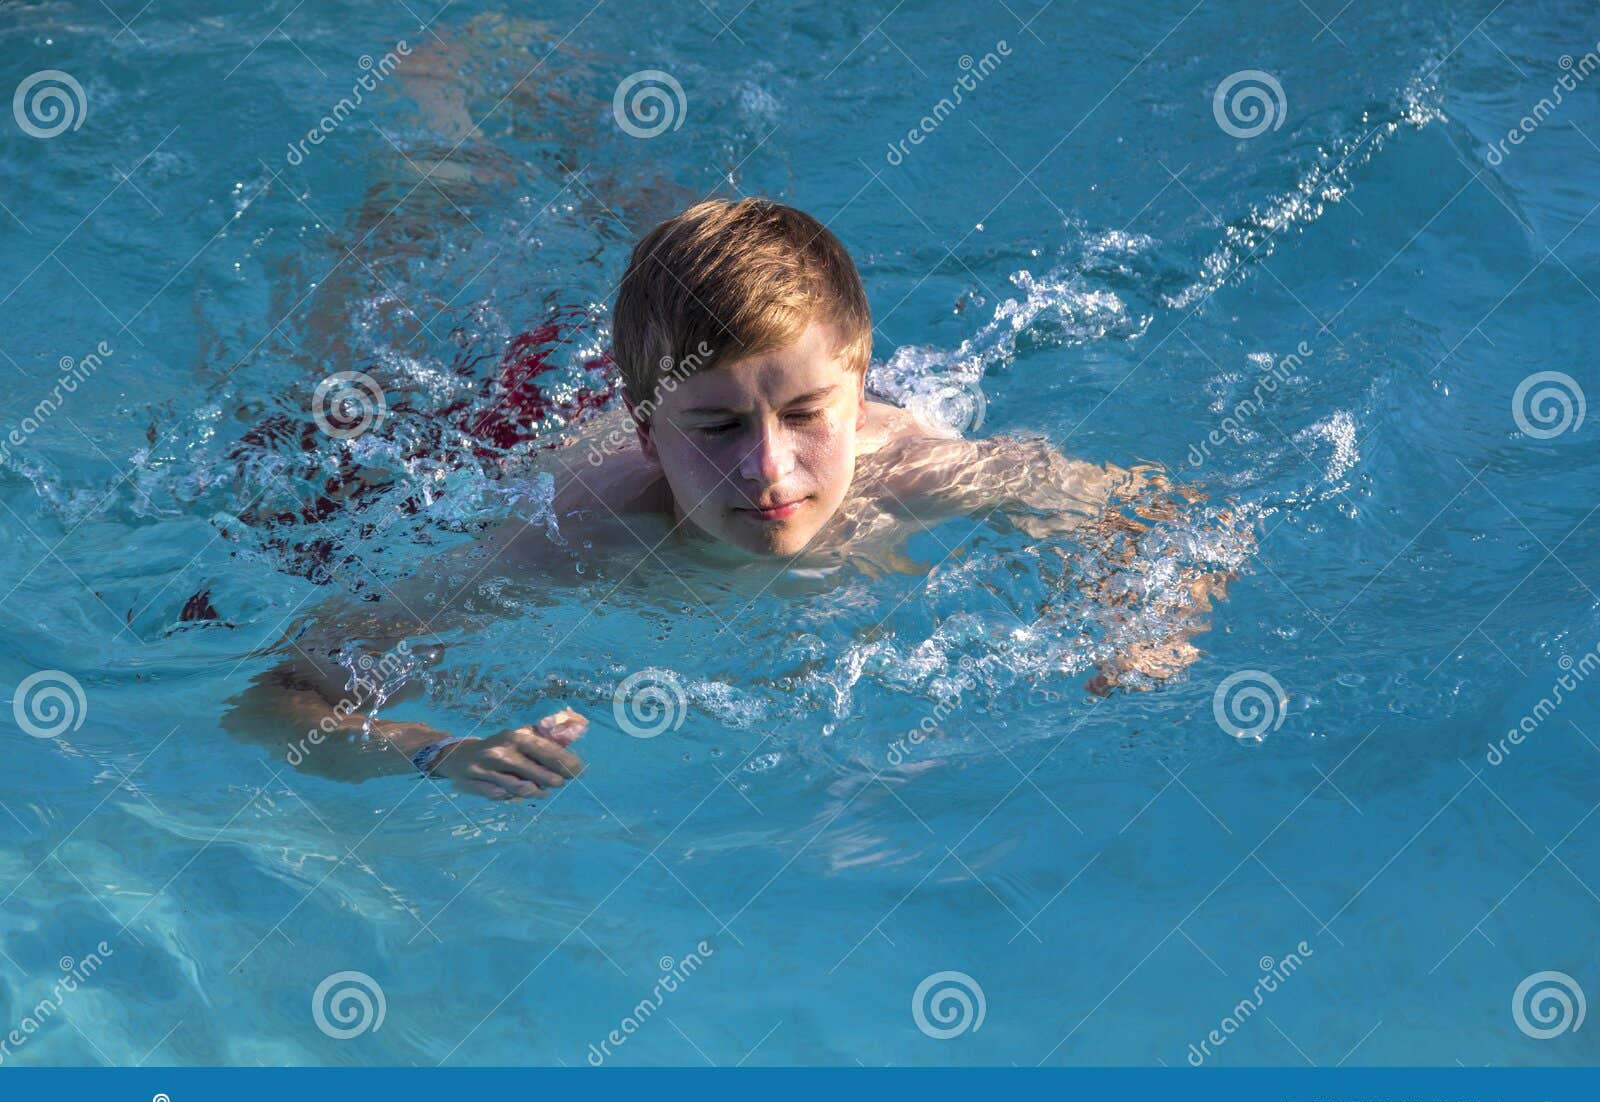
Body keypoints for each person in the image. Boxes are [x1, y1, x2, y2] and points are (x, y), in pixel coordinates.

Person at [224, 194, 1234, 802]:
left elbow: (1170, 515)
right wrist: (436, 752)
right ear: (644, 429)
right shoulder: (573, 534)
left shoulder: (920, 468)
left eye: (805, 413)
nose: (768, 469)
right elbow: (274, 703)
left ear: (861, 380)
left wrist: (1143, 625)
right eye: (715, 430)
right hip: (512, 413)